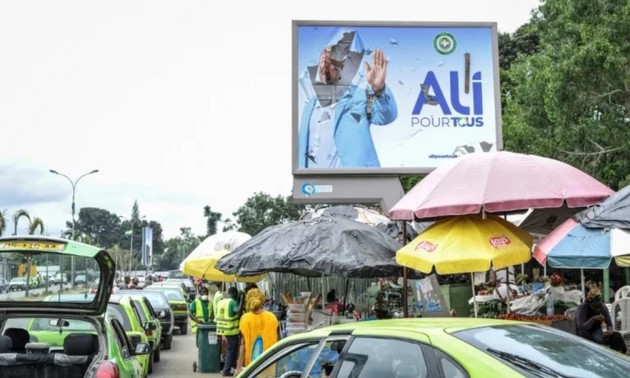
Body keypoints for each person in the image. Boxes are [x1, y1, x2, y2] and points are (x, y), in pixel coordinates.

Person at [297, 29, 398, 169]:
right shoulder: (310, 106)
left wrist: (379, 89)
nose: (325, 67)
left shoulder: (362, 97)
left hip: (355, 183)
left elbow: (386, 116)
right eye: (323, 62)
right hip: (315, 185)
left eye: (332, 63)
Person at [234, 288, 279, 376]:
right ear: (263, 300)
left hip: (252, 367)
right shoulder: (272, 318)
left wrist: (238, 368)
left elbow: (243, 345)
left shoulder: (245, 319)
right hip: (270, 365)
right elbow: (278, 343)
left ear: (248, 300)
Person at [576, 288, 627, 354]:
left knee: (617, 336)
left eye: (600, 306)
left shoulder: (603, 307)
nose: (598, 309)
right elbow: (581, 327)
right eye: (596, 306)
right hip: (585, 332)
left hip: (598, 332)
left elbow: (610, 325)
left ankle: (620, 356)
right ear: (590, 304)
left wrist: (609, 332)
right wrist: (593, 319)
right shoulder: (582, 308)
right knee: (585, 336)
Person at [216, 287, 240, 377]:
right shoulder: (232, 302)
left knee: (228, 349)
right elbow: (237, 311)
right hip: (231, 330)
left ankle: (229, 367)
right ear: (234, 294)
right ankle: (226, 370)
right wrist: (241, 301)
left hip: (222, 329)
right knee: (231, 349)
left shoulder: (221, 302)